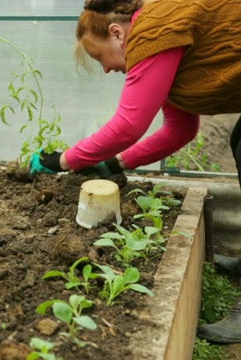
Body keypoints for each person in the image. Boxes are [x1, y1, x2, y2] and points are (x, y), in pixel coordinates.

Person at [29, 0, 241, 344]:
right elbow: (179, 129)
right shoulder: (164, 48)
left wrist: (62, 161)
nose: (108, 70)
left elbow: (128, 125)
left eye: (100, 58)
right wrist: (113, 164)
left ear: (117, 34)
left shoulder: (152, 31)